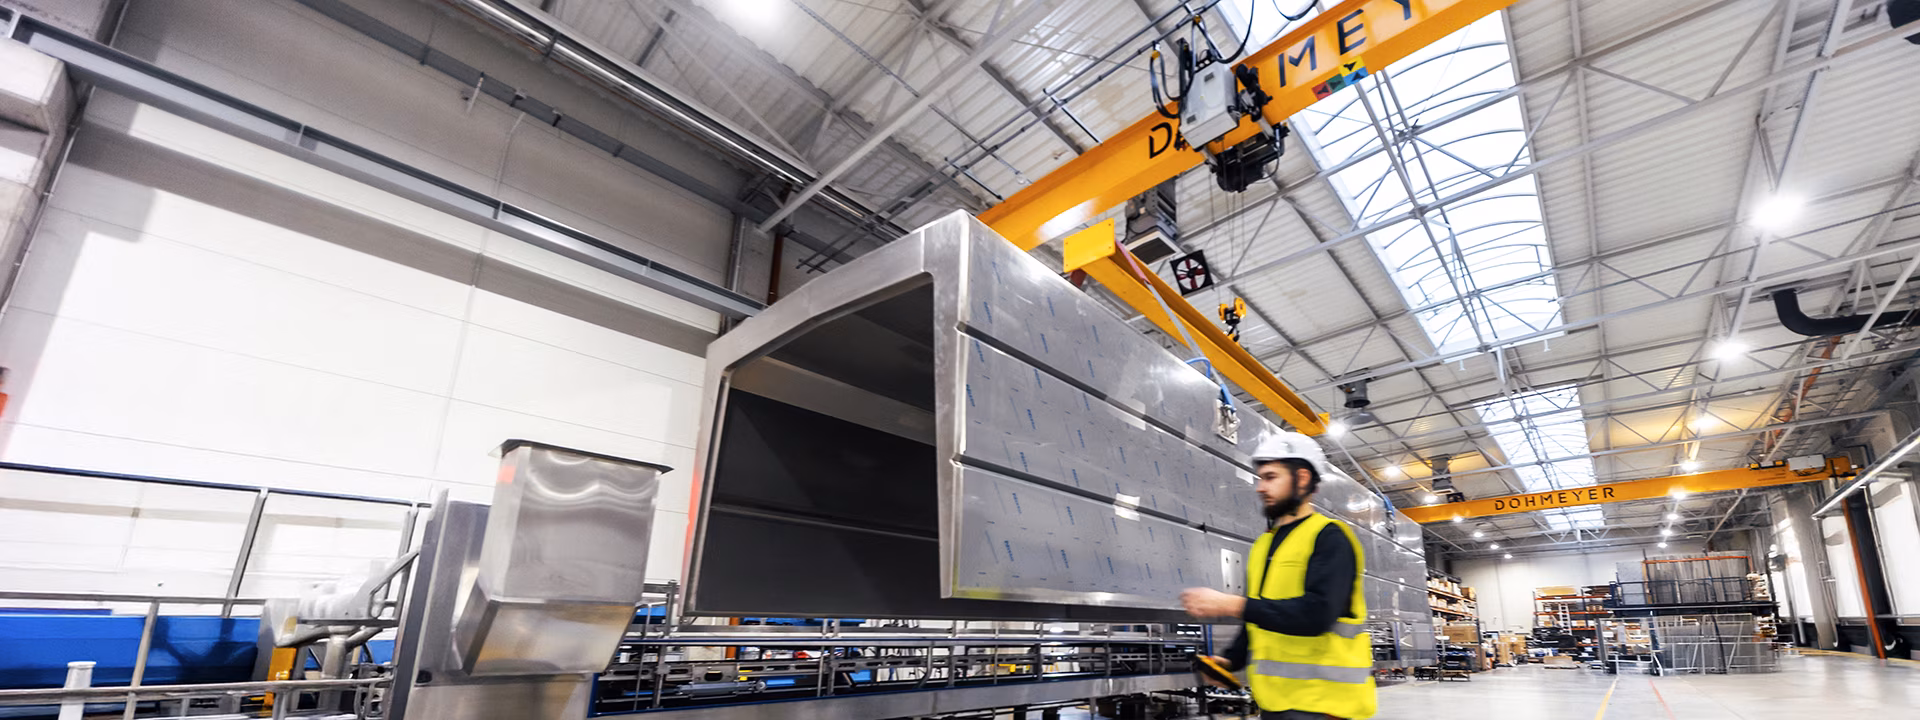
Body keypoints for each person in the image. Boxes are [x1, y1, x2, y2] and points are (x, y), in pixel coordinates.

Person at [1179, 431, 1376, 719]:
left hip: (1326, 704)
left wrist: (1230, 604)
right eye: (1260, 478)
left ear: (1303, 478)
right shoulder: (1264, 545)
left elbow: (1317, 614)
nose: (1260, 487)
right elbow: (1260, 615)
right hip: (1276, 702)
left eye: (1271, 477)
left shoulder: (1330, 537)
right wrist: (1230, 659)